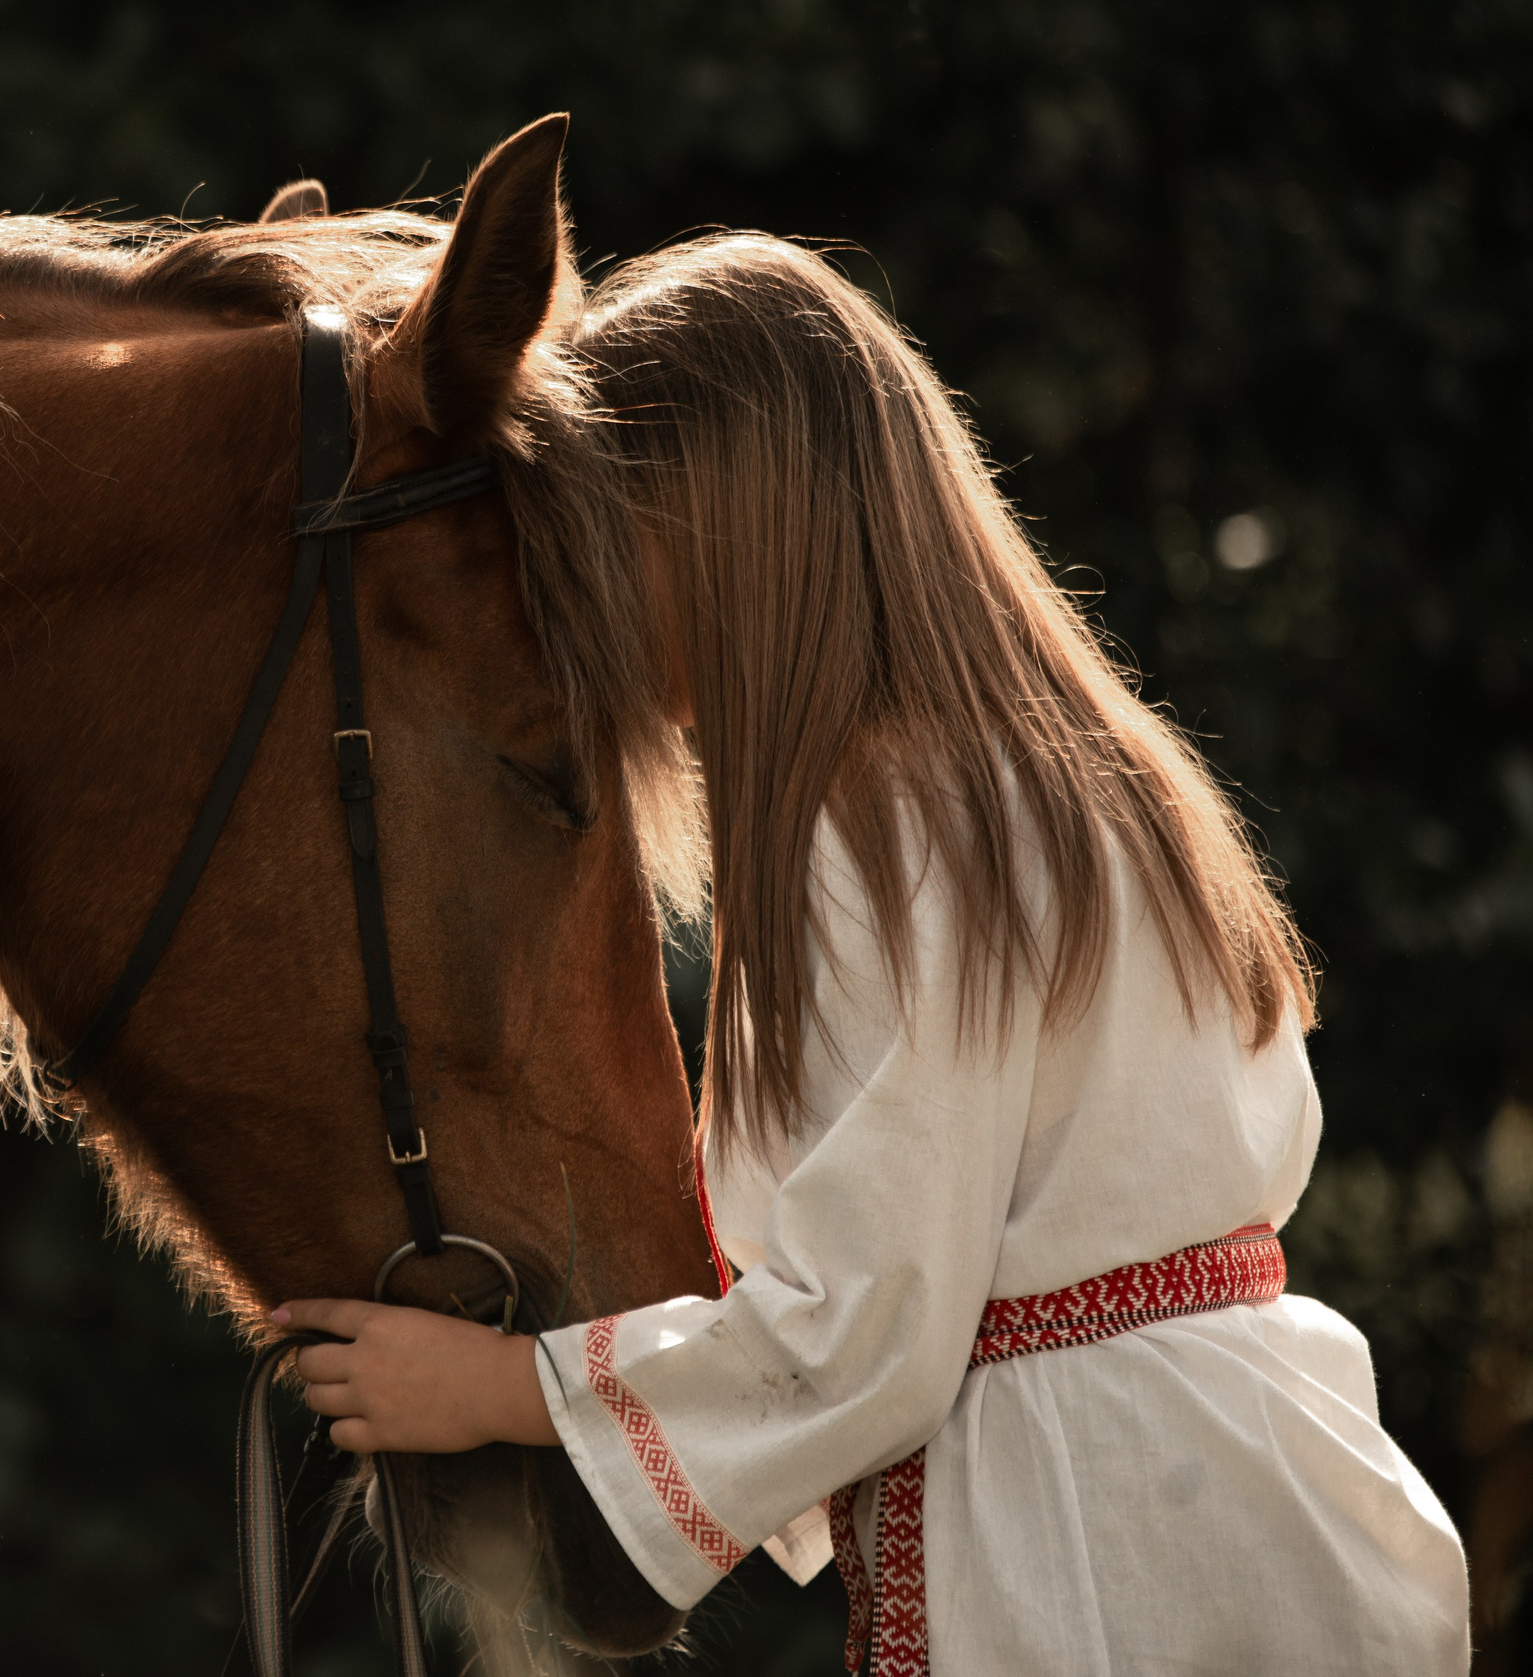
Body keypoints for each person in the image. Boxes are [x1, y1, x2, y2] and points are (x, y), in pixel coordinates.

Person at [275, 235, 1470, 1675]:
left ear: (726, 527)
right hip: (1257, 1494)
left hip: (1094, 1550)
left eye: (605, 544)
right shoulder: (1098, 776)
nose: (580, 609)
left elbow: (876, 1319)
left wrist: (506, 1386)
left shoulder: (891, 824)